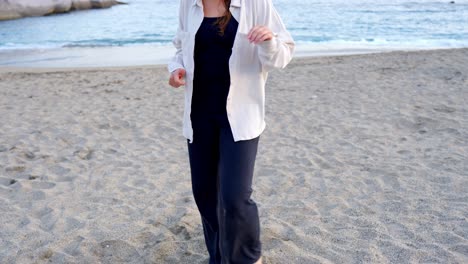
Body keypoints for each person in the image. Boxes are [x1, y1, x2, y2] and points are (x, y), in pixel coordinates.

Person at [167, 0, 294, 263]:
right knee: (204, 194)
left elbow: (283, 56)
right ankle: (220, 257)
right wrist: (175, 69)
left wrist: (269, 41)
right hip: (199, 115)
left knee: (234, 196)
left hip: (240, 116)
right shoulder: (188, 4)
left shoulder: (254, 4)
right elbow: (180, 47)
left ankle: (249, 259)